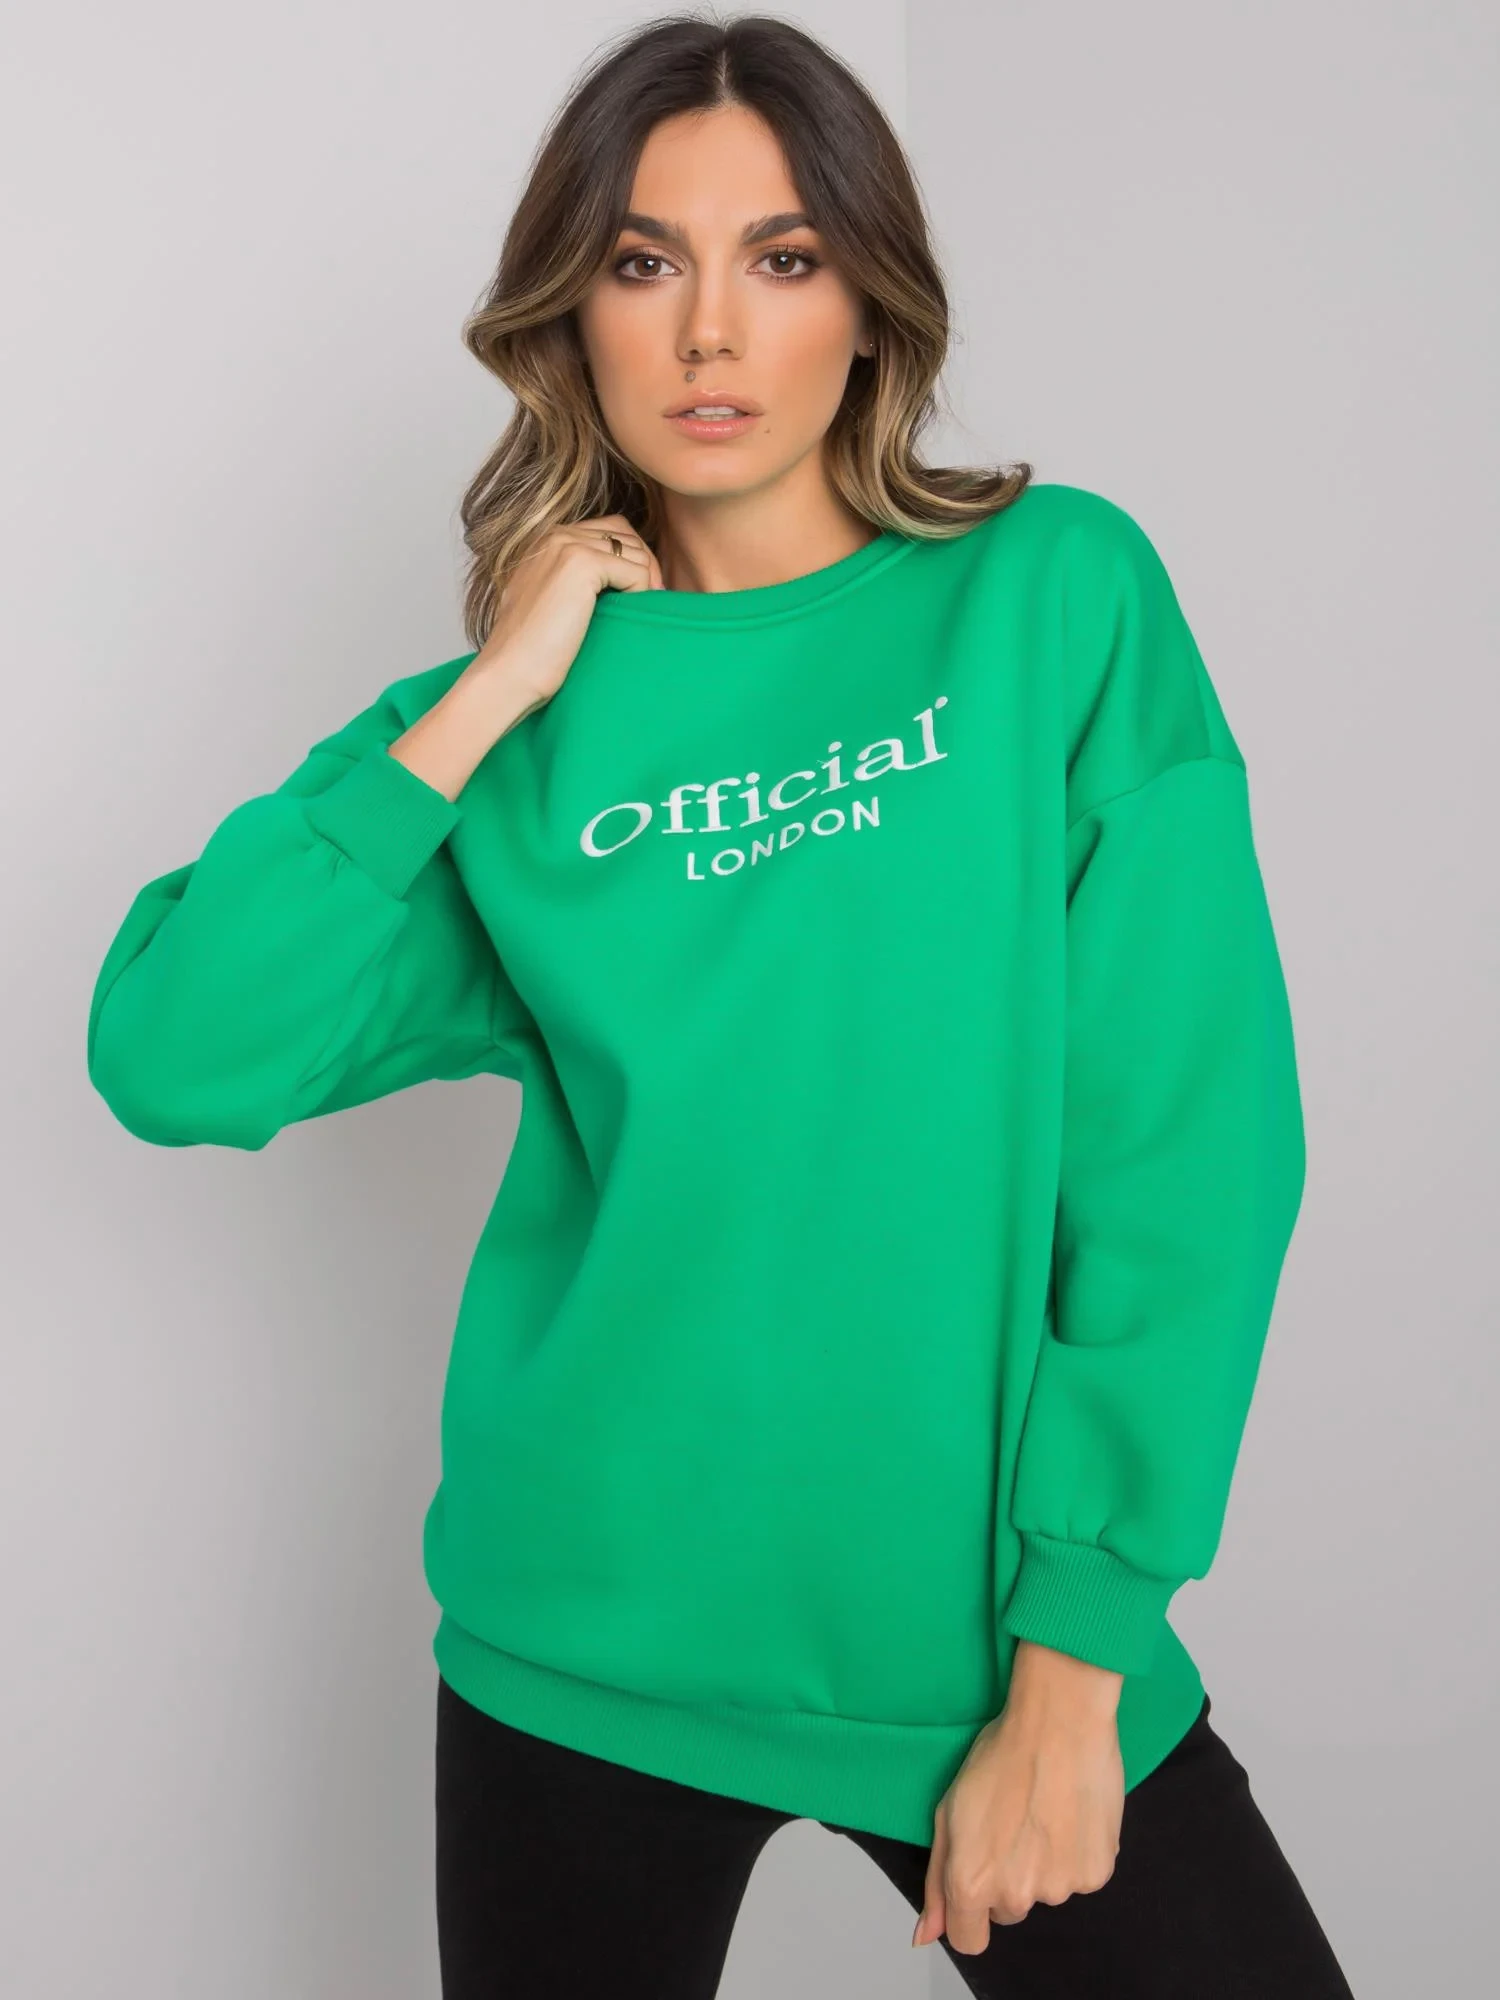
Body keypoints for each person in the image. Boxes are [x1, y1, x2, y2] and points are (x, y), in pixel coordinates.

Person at [86, 13, 1357, 1999]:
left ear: (868, 302)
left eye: (780, 257)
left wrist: (1074, 1661)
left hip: (983, 1653)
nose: (707, 331)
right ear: (569, 315)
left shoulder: (1054, 596)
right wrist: (487, 698)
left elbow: (1188, 1150)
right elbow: (177, 1052)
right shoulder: (506, 730)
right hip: (576, 1648)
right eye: (641, 260)